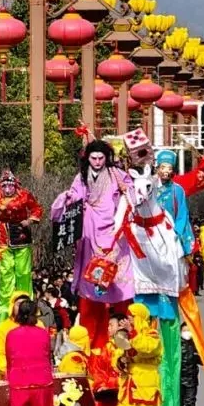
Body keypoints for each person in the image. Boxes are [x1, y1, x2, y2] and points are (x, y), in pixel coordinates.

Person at [50, 139, 134, 347]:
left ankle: (122, 334)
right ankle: (93, 342)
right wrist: (68, 198)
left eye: (100, 158)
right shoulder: (81, 177)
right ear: (87, 158)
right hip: (90, 228)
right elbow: (76, 196)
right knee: (91, 277)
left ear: (107, 158)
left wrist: (128, 191)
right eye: (93, 158)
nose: (97, 162)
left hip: (113, 229)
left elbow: (132, 193)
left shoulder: (116, 174)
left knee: (118, 275)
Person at [104, 303, 164, 406]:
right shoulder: (124, 336)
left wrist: (133, 333)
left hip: (146, 386)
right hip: (128, 387)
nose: (128, 320)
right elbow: (116, 356)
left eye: (131, 317)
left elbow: (148, 348)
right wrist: (120, 362)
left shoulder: (152, 335)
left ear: (139, 318)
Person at [0, 169, 44, 324]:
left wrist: (29, 220)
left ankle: (26, 309)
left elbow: (37, 209)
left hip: (22, 236)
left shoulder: (24, 195)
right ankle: (5, 314)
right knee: (6, 275)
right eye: (5, 186)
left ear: (15, 186)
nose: (8, 189)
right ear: (1, 187)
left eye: (10, 186)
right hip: (3, 238)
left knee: (23, 273)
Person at [5, 299, 55, 406]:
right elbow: (48, 355)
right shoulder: (43, 334)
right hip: (41, 382)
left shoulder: (11, 335)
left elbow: (9, 359)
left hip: (19, 383)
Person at [180, 321, 199, 406]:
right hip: (179, 376)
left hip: (192, 376)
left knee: (190, 398)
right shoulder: (176, 344)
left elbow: (202, 359)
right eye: (184, 330)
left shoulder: (196, 344)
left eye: (188, 330)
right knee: (179, 398)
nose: (186, 332)